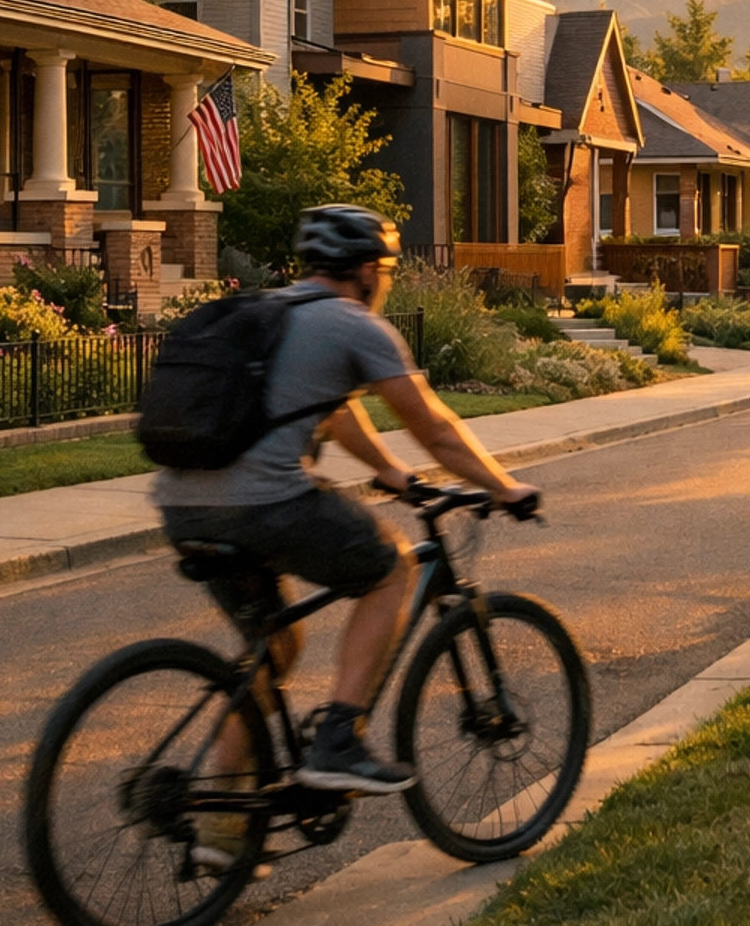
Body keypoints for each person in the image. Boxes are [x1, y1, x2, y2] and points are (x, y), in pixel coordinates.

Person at [154, 204, 538, 852]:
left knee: (271, 653)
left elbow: (330, 412)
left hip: (182, 504)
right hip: (264, 504)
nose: (384, 281)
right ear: (366, 271)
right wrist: (504, 487)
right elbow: (436, 427)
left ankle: (221, 830)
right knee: (394, 566)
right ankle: (339, 738)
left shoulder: (273, 314)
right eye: (384, 270)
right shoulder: (354, 325)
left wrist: (389, 473)